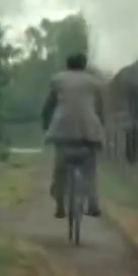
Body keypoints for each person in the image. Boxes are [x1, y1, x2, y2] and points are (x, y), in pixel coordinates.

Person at [41, 52, 106, 218]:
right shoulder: (94, 83)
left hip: (63, 132)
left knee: (60, 171)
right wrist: (100, 127)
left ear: (67, 64)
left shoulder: (57, 80)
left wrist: (46, 124)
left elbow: (49, 105)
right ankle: (93, 205)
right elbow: (100, 110)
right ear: (84, 65)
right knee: (90, 172)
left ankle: (60, 207)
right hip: (88, 134)